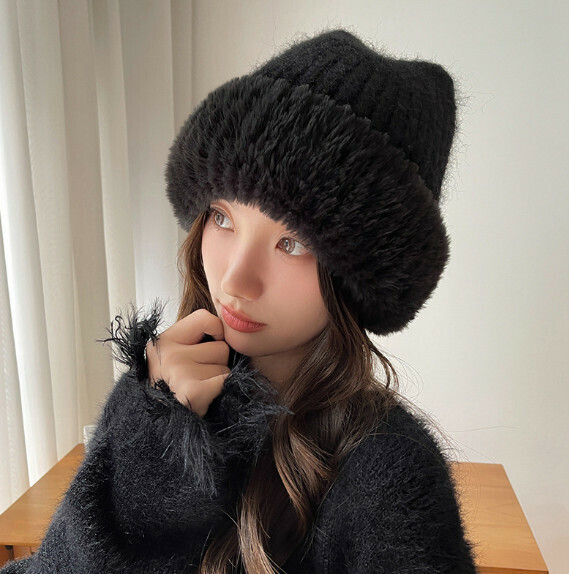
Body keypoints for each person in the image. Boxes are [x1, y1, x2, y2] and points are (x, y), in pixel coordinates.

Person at [1, 28, 478, 573]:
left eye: (292, 243)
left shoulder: (391, 474)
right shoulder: (152, 401)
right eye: (223, 218)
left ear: (357, 275)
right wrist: (151, 454)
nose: (235, 278)